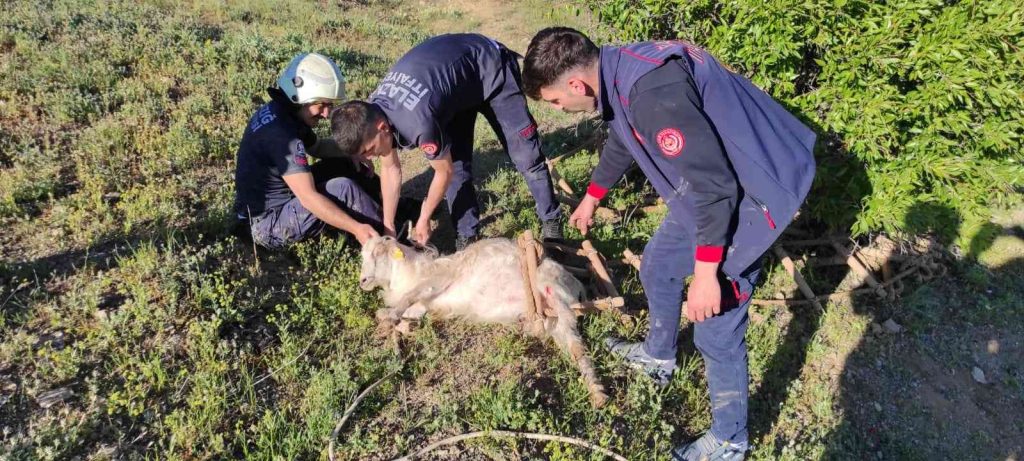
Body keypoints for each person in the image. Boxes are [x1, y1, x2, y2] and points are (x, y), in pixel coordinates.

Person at [522, 27, 817, 460]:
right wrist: (592, 195)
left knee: (715, 324)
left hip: (753, 193)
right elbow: (625, 136)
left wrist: (705, 275)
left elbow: (715, 188)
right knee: (658, 266)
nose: (560, 109)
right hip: (711, 190)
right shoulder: (617, 71)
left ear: (574, 85)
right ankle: (658, 357)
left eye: (554, 101)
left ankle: (730, 440)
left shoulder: (650, 93)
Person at [330, 33, 563, 250]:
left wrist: (423, 218)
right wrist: (388, 226)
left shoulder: (417, 122)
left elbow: (443, 172)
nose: (370, 157)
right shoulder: (373, 112)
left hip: (490, 68)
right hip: (453, 90)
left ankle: (552, 225)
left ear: (383, 128)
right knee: (459, 168)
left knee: (526, 157)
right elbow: (390, 168)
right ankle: (467, 238)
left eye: (369, 150)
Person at [233, 53, 416, 249]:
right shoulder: (283, 137)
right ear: (302, 97)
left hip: (273, 206)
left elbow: (318, 148)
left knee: (345, 162)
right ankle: (397, 245)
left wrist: (352, 151)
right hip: (265, 225)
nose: (327, 113)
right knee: (342, 189)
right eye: (322, 105)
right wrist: (356, 228)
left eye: (329, 105)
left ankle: (393, 208)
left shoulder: (283, 113)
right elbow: (308, 198)